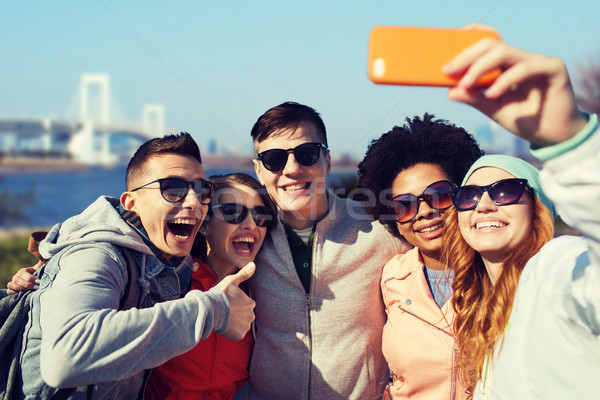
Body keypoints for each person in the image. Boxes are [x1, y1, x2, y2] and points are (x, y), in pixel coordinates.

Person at [17, 133, 256, 399]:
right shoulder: (97, 254)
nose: (193, 203)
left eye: (202, 192)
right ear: (131, 203)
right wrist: (215, 310)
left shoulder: (171, 261)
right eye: (173, 189)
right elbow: (65, 357)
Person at [441, 36, 599, 398]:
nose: (484, 206)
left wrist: (570, 142)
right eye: (468, 195)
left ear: (538, 207)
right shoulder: (474, 306)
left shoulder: (559, 268)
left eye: (505, 190)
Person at [248, 101, 409, 399]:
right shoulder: (248, 238)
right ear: (259, 170)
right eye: (274, 159)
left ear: (328, 161)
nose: (292, 169)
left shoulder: (378, 229)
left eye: (307, 154)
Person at [358, 114, 482, 399]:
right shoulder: (392, 276)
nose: (424, 211)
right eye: (405, 205)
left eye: (438, 195)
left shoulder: (502, 271)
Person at [144, 173, 276, 400]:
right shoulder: (168, 285)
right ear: (204, 224)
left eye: (260, 215)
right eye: (232, 212)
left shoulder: (259, 298)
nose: (251, 224)